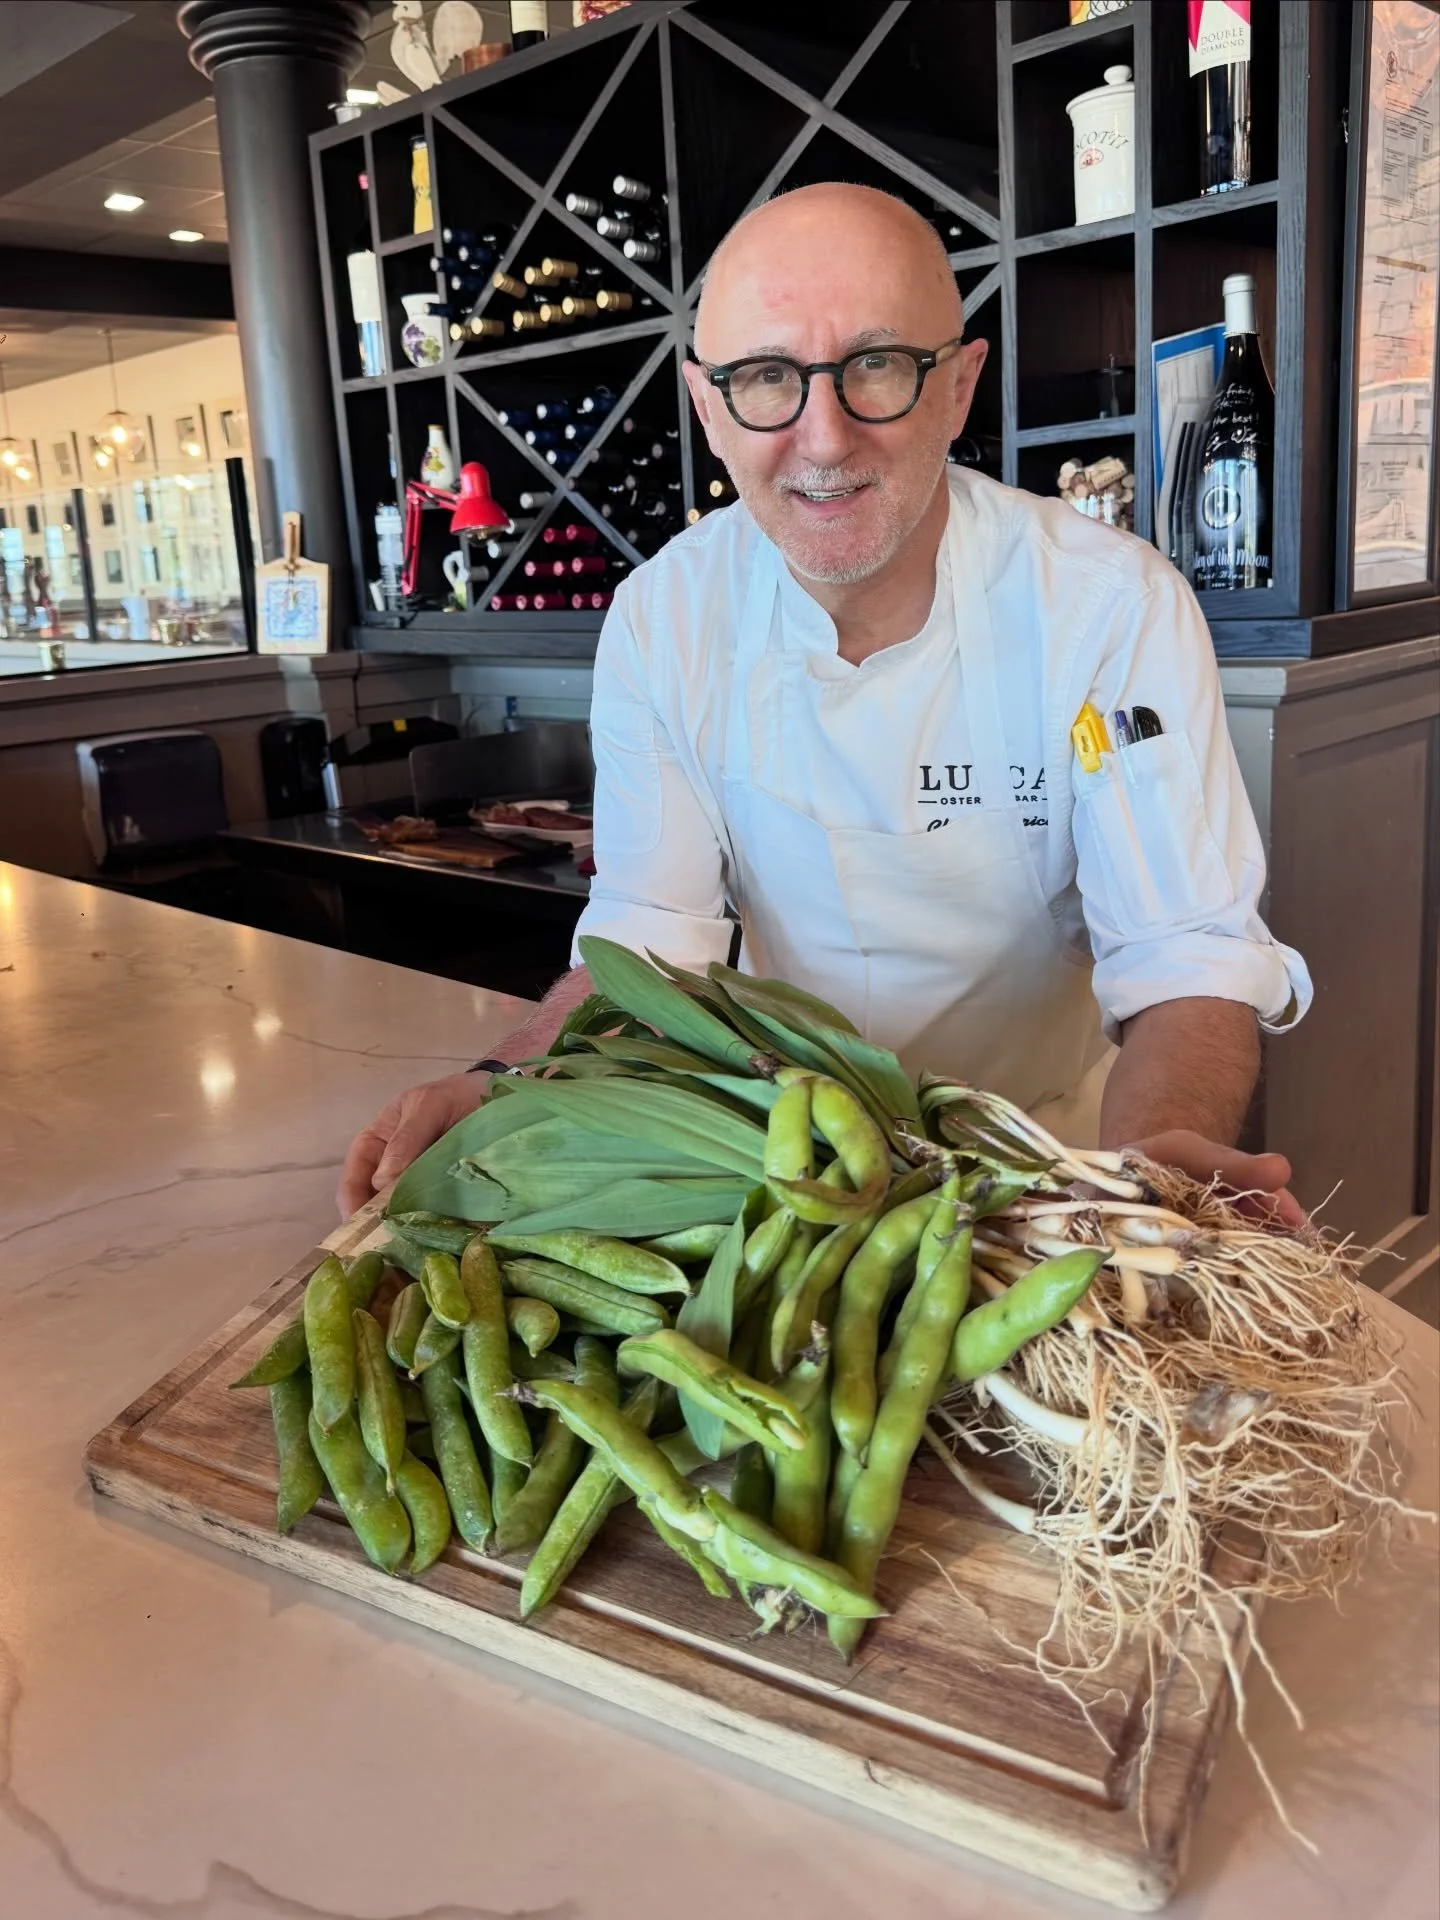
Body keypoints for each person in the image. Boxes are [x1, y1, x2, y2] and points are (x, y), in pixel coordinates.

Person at [339, 183, 1310, 1224]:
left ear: (958, 387)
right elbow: (653, 936)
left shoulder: (1108, 606)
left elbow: (1183, 954)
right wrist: (507, 1079)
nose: (825, 437)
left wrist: (1151, 1179)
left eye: (877, 364)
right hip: (782, 1182)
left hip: (1054, 1174)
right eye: (766, 377)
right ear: (708, 409)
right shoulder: (665, 619)